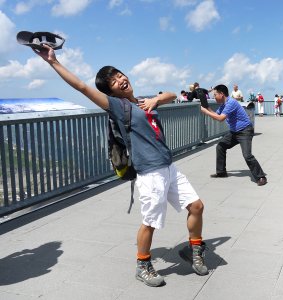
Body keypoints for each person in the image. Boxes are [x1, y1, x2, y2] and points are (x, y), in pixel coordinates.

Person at [33, 44, 209, 287]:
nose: (120, 79)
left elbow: (171, 95)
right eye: (114, 81)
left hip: (168, 167)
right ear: (111, 92)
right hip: (150, 172)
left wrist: (155, 99)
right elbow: (81, 87)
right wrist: (53, 61)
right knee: (151, 222)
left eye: (119, 74)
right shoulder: (118, 106)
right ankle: (143, 264)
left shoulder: (141, 102)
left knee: (197, 207)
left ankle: (194, 249)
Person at [200, 84, 267, 186]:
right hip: (234, 132)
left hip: (245, 131)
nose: (214, 97)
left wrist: (205, 111)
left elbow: (220, 118)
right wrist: (207, 107)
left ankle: (261, 177)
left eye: (215, 95)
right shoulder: (223, 105)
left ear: (221, 94)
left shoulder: (231, 103)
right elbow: (216, 115)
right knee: (220, 146)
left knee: (247, 155)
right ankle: (221, 172)